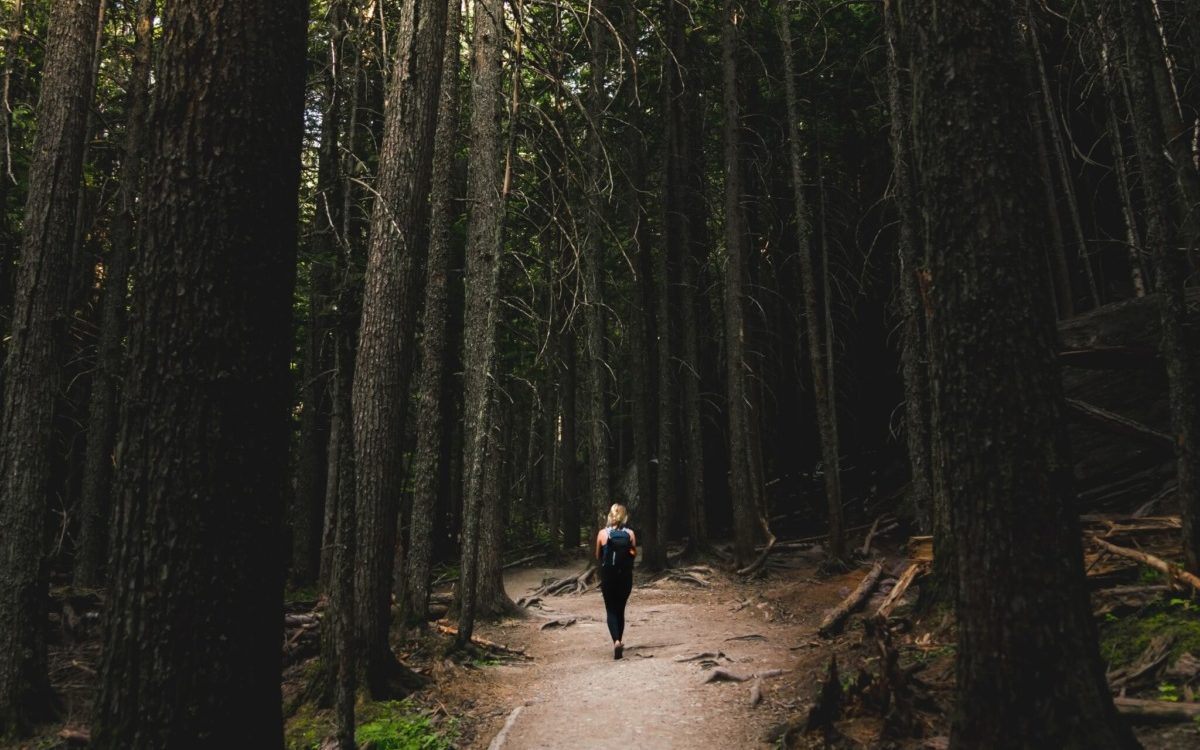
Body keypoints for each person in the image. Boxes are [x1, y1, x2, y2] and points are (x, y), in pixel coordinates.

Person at [595, 503, 636, 659]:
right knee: (620, 609)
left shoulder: (602, 533)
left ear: (610, 516)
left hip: (608, 575)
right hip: (625, 575)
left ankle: (616, 641)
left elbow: (598, 556)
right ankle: (620, 639)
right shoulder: (630, 534)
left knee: (610, 609)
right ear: (624, 516)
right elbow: (633, 553)